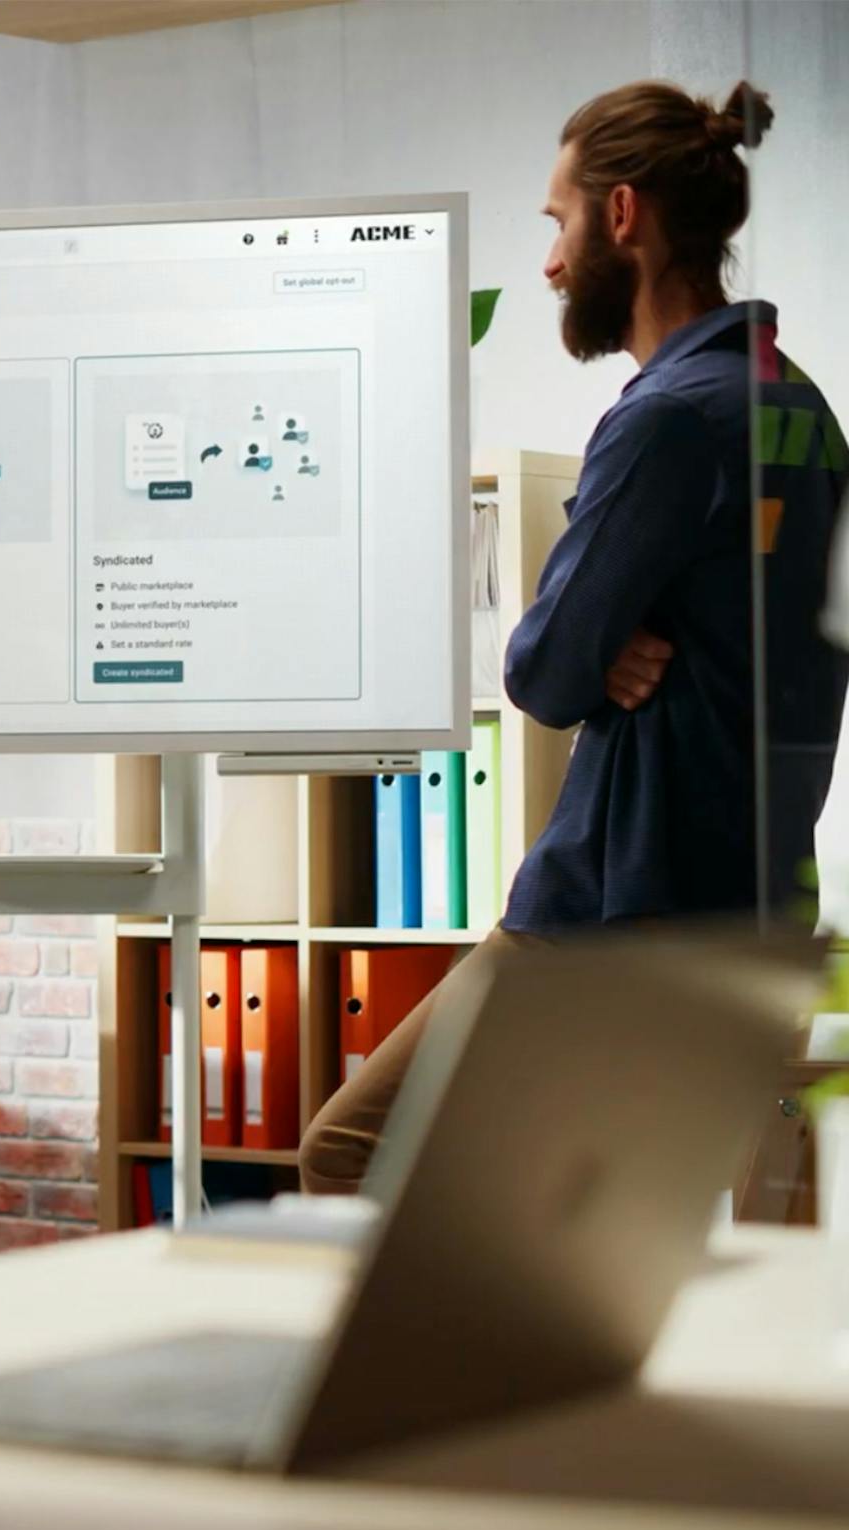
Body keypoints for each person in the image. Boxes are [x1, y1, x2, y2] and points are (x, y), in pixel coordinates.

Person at [301, 80, 846, 1194]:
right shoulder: (797, 404)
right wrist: (618, 636)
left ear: (622, 215)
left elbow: (541, 675)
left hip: (602, 920)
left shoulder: (662, 420)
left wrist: (594, 640)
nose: (548, 262)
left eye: (555, 222)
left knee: (349, 1152)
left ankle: (454, 1376)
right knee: (660, 1218)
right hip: (747, 914)